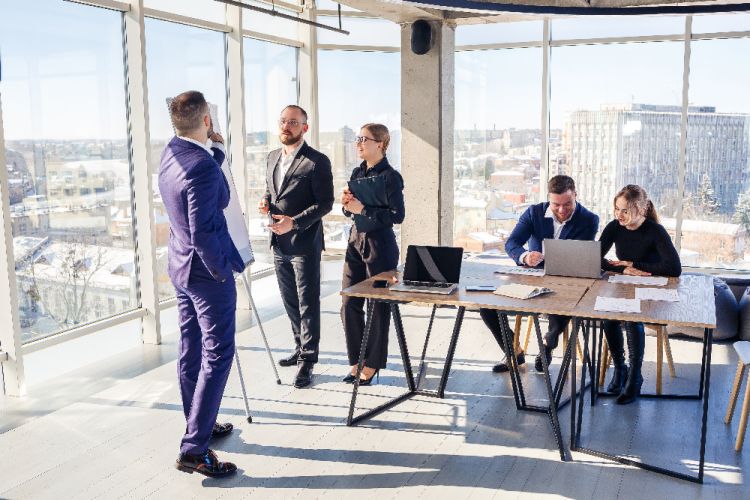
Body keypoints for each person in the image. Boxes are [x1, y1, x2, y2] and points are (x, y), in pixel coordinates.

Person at [159, 91, 245, 477]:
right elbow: (205, 230)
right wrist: (221, 272)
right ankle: (194, 449)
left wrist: (216, 154)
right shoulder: (204, 168)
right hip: (207, 275)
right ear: (207, 120)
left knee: (191, 350)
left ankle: (199, 425)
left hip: (180, 268)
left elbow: (205, 198)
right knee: (218, 354)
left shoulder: (172, 153)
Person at [480, 175, 599, 373]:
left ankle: (548, 344)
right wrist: (525, 256)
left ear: (575, 195)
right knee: (487, 306)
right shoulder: (534, 212)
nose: (561, 210)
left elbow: (579, 257)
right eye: (556, 204)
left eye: (567, 204)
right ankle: (513, 350)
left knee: (564, 303)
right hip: (532, 279)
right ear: (548, 198)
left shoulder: (589, 220)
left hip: (566, 282)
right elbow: (512, 243)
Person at [259, 105, 334, 389]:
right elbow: (272, 191)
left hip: (304, 243)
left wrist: (295, 222)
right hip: (279, 243)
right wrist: (266, 202)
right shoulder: (271, 157)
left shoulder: (317, 161)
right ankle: (299, 346)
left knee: (307, 302)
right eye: (283, 121)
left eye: (293, 122)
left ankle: (308, 360)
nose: (286, 126)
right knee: (290, 300)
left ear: (305, 127)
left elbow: (325, 203)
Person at [600, 184, 681, 405]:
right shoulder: (614, 227)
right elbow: (595, 257)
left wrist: (634, 264)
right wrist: (623, 270)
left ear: (642, 209)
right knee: (608, 316)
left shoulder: (655, 231)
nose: (619, 215)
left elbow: (674, 268)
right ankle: (620, 368)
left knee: (631, 318)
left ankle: (635, 377)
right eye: (617, 209)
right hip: (626, 285)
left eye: (625, 210)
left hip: (653, 289)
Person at [340, 124, 405, 385]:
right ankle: (356, 360)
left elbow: (397, 216)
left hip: (381, 246)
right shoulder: (357, 172)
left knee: (377, 305)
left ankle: (373, 364)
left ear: (380, 143)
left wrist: (363, 209)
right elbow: (349, 211)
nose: (358, 143)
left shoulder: (391, 177)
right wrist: (347, 204)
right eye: (358, 139)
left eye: (363, 139)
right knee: (349, 302)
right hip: (355, 241)